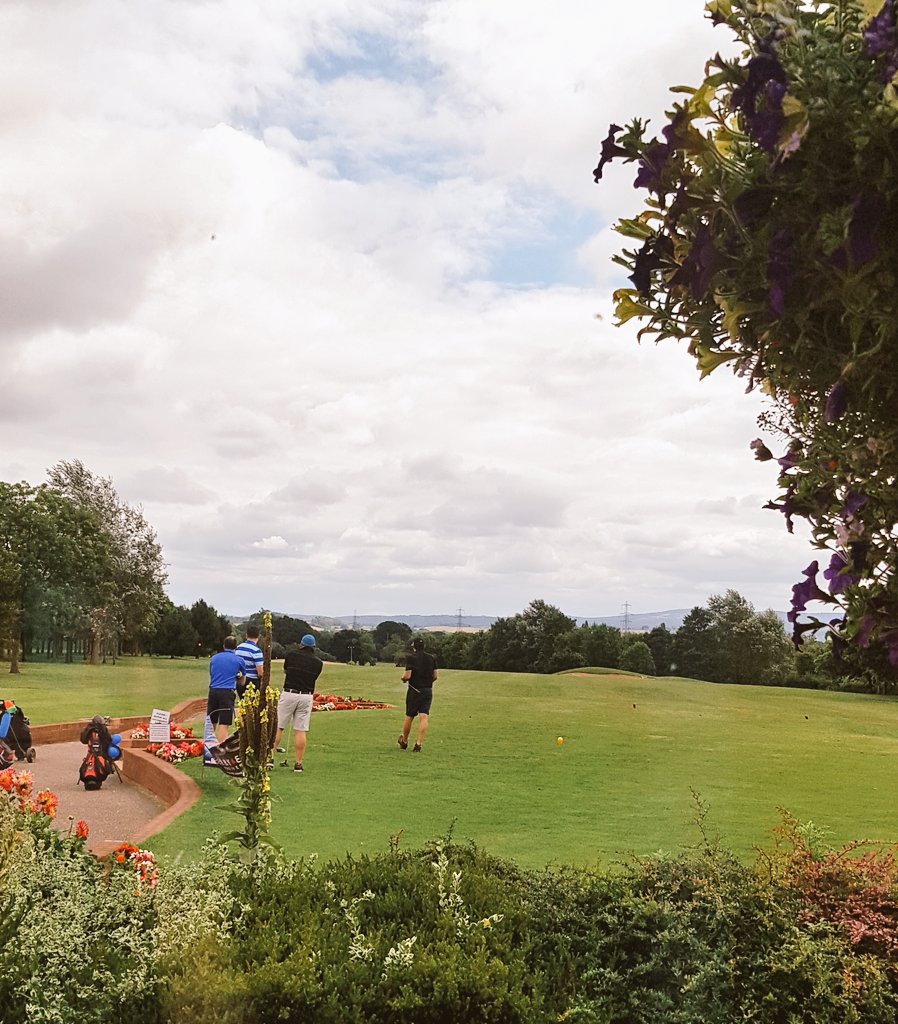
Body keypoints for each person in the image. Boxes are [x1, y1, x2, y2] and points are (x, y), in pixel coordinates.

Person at [273, 633, 323, 773]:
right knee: (300, 730)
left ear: (301, 645)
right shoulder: (318, 663)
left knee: (279, 726)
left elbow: (286, 671)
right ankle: (298, 763)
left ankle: (269, 759)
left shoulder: (291, 655)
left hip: (289, 693)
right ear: (313, 647)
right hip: (306, 696)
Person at [398, 636, 438, 753]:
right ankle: (419, 744)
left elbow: (407, 676)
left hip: (414, 690)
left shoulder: (411, 658)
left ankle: (404, 741)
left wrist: (403, 679)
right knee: (424, 716)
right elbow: (435, 676)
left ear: (414, 647)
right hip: (427, 690)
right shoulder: (431, 658)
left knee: (409, 715)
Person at [207, 636, 244, 743]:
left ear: (224, 646)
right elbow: (242, 681)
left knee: (212, 721)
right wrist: (237, 677)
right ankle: (220, 750)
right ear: (235, 647)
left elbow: (211, 673)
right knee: (224, 723)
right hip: (227, 692)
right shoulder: (239, 660)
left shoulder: (214, 658)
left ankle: (208, 747)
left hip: (213, 691)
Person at [235, 625, 264, 697]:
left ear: (246, 635)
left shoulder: (238, 648)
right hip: (252, 681)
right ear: (259, 636)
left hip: (240, 680)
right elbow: (260, 673)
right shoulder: (256, 651)